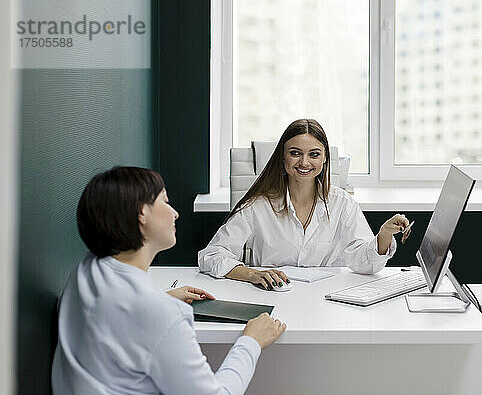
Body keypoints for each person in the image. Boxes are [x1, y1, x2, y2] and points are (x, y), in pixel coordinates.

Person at [52, 166, 286, 394]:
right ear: (141, 213)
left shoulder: (85, 270)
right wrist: (251, 341)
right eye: (165, 201)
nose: (175, 212)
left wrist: (160, 299)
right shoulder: (160, 314)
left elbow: (119, 314)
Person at [198, 118, 413, 290]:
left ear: (325, 159)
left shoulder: (342, 204)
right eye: (295, 153)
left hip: (326, 303)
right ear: (282, 158)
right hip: (273, 300)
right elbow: (211, 256)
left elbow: (365, 263)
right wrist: (252, 274)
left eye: (314, 154)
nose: (304, 162)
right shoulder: (259, 206)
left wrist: (384, 235)